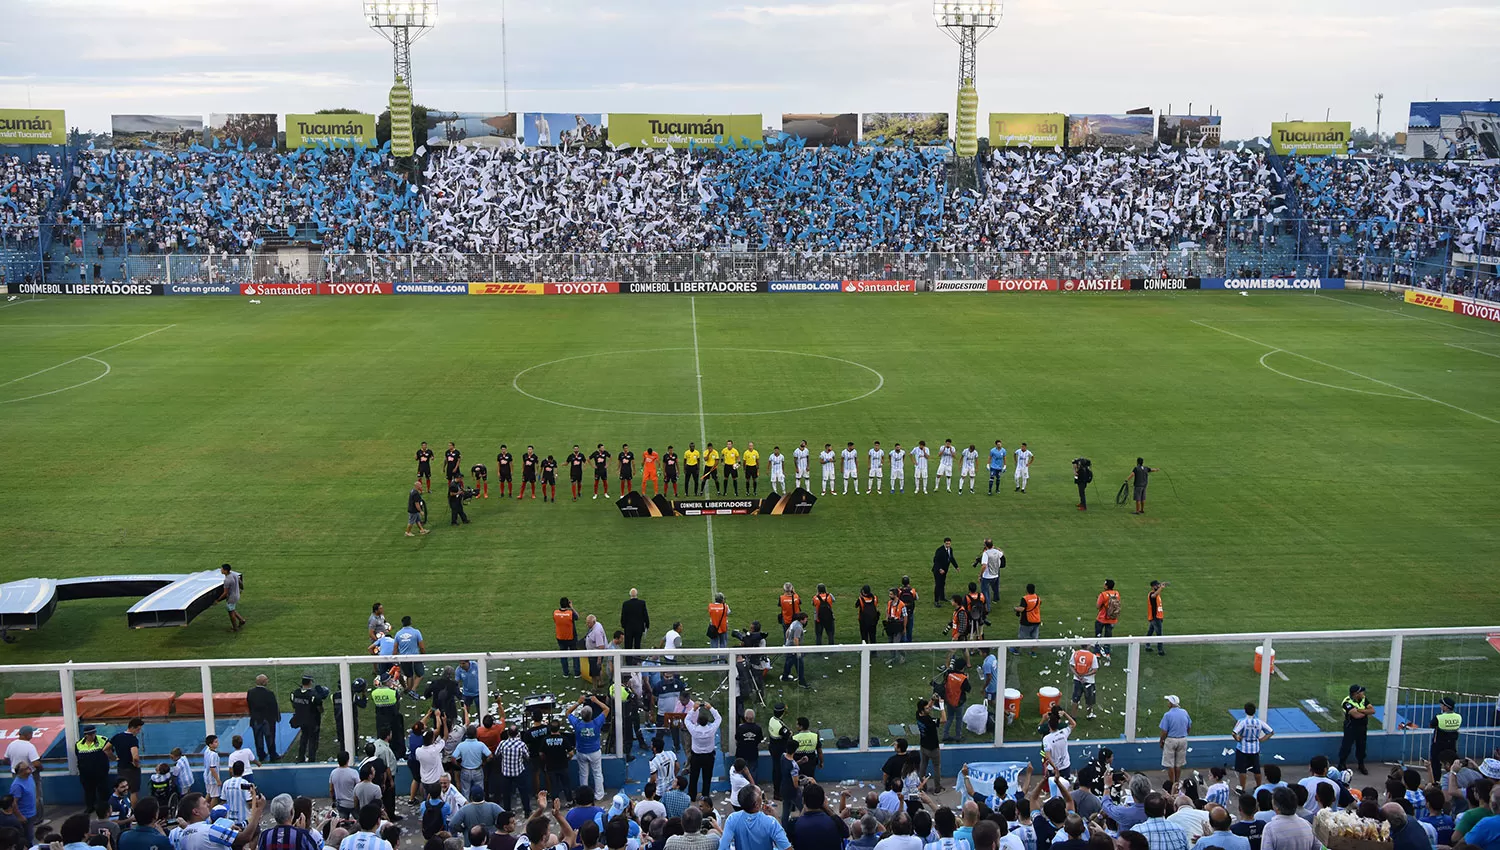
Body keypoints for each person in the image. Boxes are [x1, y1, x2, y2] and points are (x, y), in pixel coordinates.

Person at [174, 791, 266, 850]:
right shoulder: (210, 830)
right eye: (204, 803)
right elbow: (245, 837)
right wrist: (259, 810)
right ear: (195, 812)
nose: (209, 805)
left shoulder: (183, 835)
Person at [717, 786, 789, 850]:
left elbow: (723, 847)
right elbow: (786, 847)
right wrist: (776, 818)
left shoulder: (732, 819)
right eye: (761, 796)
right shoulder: (771, 822)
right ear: (757, 805)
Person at [568, 695, 610, 800]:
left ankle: (584, 796)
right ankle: (599, 795)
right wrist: (596, 701)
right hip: (594, 752)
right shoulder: (596, 722)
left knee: (583, 775)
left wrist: (578, 702)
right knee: (597, 773)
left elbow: (568, 713)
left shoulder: (577, 724)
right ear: (591, 715)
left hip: (581, 752)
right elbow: (606, 709)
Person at [684, 701, 723, 801]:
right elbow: (719, 718)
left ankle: (692, 796)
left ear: (698, 721)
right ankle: (705, 795)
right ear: (707, 721)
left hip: (696, 756)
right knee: (707, 776)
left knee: (693, 777)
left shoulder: (694, 730)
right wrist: (710, 708)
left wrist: (694, 709)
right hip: (708, 756)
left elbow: (686, 720)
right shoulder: (711, 729)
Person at [793, 784, 850, 850]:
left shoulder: (795, 824)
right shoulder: (834, 823)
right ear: (823, 801)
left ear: (803, 801)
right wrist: (827, 807)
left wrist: (805, 804)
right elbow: (846, 833)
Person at [1232, 704, 1274, 791]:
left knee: (1242, 770)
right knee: (1256, 769)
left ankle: (1242, 788)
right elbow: (1271, 732)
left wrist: (1238, 739)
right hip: (1255, 749)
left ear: (1245, 711)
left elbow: (1234, 733)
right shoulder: (1259, 722)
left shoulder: (1242, 721)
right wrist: (1261, 739)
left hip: (1243, 749)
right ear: (1255, 711)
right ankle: (1259, 786)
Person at [290, 675, 330, 763]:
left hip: (300, 720)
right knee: (313, 740)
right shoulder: (314, 695)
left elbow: (294, 705)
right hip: (313, 721)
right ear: (310, 682)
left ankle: (301, 757)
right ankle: (312, 759)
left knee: (303, 737)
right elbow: (320, 709)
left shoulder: (294, 693)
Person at [1337, 684, 1374, 775]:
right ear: (1355, 694)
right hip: (1351, 727)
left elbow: (1372, 711)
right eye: (1361, 691)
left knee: (1361, 746)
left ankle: (1361, 764)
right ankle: (1341, 764)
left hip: (1362, 727)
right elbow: (1357, 716)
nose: (1363, 693)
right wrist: (1365, 711)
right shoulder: (1347, 702)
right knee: (1346, 746)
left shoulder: (1363, 699)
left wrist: (1360, 710)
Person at [108, 717, 145, 806]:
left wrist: (113, 758)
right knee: (133, 791)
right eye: (138, 729)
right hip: (131, 769)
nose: (138, 732)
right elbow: (135, 757)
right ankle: (134, 812)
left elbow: (106, 749)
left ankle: (123, 809)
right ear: (132, 727)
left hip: (121, 767)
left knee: (123, 790)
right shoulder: (133, 739)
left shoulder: (117, 737)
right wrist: (136, 764)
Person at [246, 676, 280, 763]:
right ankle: (273, 755)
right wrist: (277, 717)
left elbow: (249, 705)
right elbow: (274, 706)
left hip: (256, 719)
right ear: (264, 682)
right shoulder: (269, 693)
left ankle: (261, 755)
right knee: (270, 738)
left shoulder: (250, 692)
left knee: (258, 738)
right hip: (268, 720)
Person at [1160, 696, 1192, 787]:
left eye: (1168, 702)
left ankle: (1172, 784)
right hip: (1183, 740)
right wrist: (1185, 734)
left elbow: (1164, 731)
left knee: (1170, 764)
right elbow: (1189, 726)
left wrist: (1161, 740)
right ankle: (1177, 782)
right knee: (1178, 764)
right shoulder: (1184, 712)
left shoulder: (1167, 715)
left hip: (1171, 740)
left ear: (1171, 703)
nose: (1167, 703)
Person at [1431, 697, 1462, 783]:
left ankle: (1436, 781)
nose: (1441, 706)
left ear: (1445, 707)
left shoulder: (1439, 717)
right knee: (1452, 762)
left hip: (1438, 744)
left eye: (1442, 705)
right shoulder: (1458, 717)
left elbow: (1431, 724)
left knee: (1436, 763)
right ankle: (1454, 780)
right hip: (1451, 744)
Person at [939, 660, 970, 743]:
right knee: (959, 719)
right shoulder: (963, 678)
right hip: (959, 702)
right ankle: (958, 736)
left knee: (949, 718)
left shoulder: (949, 674)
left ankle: (945, 735)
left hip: (949, 699)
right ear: (963, 668)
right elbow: (968, 689)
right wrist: (967, 678)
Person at [766, 704, 790, 802]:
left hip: (773, 748)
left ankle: (778, 791)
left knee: (776, 770)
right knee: (779, 772)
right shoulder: (780, 726)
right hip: (779, 751)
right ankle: (778, 793)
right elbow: (788, 735)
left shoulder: (772, 720)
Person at [1070, 645, 1099, 719]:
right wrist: (1085, 675)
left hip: (1077, 680)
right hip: (1089, 681)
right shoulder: (1092, 656)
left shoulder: (1075, 653)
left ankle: (1073, 717)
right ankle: (1089, 715)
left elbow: (1071, 666)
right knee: (1089, 700)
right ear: (1088, 646)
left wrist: (1078, 675)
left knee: (1075, 698)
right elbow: (1095, 670)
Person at [1094, 580, 1120, 663]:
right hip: (1112, 618)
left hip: (1102, 618)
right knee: (1108, 636)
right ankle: (1107, 652)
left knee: (1098, 635)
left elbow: (1098, 606)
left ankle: (1097, 652)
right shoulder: (1117, 593)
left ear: (1106, 586)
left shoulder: (1103, 594)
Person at [782, 612, 810, 687]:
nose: (806, 621)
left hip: (789, 646)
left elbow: (787, 632)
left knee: (789, 662)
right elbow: (796, 639)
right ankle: (802, 681)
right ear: (802, 620)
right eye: (805, 620)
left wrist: (787, 641)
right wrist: (797, 650)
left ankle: (785, 677)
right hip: (793, 648)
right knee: (800, 665)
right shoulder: (798, 627)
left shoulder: (794, 623)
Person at [620, 588, 650, 658]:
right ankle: (637, 659)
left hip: (628, 628)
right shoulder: (642, 603)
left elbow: (623, 617)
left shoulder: (626, 604)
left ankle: (628, 660)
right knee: (637, 644)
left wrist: (624, 625)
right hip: (638, 628)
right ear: (637, 594)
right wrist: (647, 625)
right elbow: (645, 615)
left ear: (630, 595)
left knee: (628, 645)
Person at [554, 600, 581, 678]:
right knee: (575, 654)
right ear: (568, 605)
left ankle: (565, 673)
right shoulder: (570, 613)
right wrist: (572, 607)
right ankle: (577, 673)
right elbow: (577, 617)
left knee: (563, 655)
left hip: (560, 638)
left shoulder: (555, 613)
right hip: (571, 637)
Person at [329, 752, 360, 818]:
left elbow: (331, 790)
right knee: (358, 822)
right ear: (348, 760)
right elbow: (359, 788)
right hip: (353, 803)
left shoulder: (333, 773)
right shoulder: (353, 773)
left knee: (343, 823)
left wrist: (333, 801)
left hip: (340, 804)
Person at [1012, 584, 1041, 654]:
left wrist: (1015, 608)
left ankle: (1016, 651)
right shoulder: (1037, 597)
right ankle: (1033, 653)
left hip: (1026, 621)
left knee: (1021, 636)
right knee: (1035, 638)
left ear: (1027, 590)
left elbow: (1022, 609)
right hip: (1037, 620)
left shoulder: (1025, 598)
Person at [735, 710, 764, 778]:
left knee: (740, 773)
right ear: (753, 718)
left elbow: (737, 738)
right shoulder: (758, 728)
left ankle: (742, 787)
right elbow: (759, 739)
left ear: (745, 717)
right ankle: (753, 787)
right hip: (753, 753)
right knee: (753, 772)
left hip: (741, 753)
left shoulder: (740, 728)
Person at [218, 563, 247, 632]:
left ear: (225, 571)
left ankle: (235, 628)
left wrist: (218, 600)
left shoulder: (227, 580)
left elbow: (225, 593)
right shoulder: (234, 574)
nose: (221, 570)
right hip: (237, 595)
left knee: (231, 613)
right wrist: (241, 589)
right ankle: (241, 620)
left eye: (222, 569)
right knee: (232, 610)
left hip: (231, 598)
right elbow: (240, 582)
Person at [978, 540, 1003, 616]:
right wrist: (1000, 549)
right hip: (995, 575)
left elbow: (984, 566)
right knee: (993, 588)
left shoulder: (985, 553)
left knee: (985, 593)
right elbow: (1002, 554)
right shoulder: (997, 552)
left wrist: (980, 575)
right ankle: (996, 598)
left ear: (985, 546)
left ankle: (987, 609)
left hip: (987, 576)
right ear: (993, 545)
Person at [932, 539, 959, 609]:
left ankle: (942, 597)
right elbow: (935, 560)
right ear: (944, 543)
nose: (948, 545)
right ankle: (936, 601)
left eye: (949, 544)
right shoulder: (939, 550)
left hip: (944, 570)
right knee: (938, 585)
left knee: (942, 583)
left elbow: (951, 558)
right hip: (938, 571)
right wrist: (940, 569)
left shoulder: (950, 550)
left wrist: (956, 567)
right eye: (946, 544)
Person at [884, 588, 908, 664]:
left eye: (891, 594)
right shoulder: (889, 603)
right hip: (891, 625)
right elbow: (887, 612)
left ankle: (902, 655)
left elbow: (905, 616)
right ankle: (893, 657)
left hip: (898, 626)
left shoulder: (902, 605)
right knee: (890, 642)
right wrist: (887, 620)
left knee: (896, 643)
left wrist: (904, 628)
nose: (889, 595)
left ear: (895, 595)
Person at [1147, 581, 1168, 656]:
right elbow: (1154, 595)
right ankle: (1160, 650)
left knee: (1150, 632)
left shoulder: (1157, 594)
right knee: (1159, 634)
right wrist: (1161, 587)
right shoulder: (1152, 594)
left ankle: (1147, 645)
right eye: (1157, 586)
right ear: (1153, 587)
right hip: (1155, 617)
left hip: (1157, 617)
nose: (1158, 587)